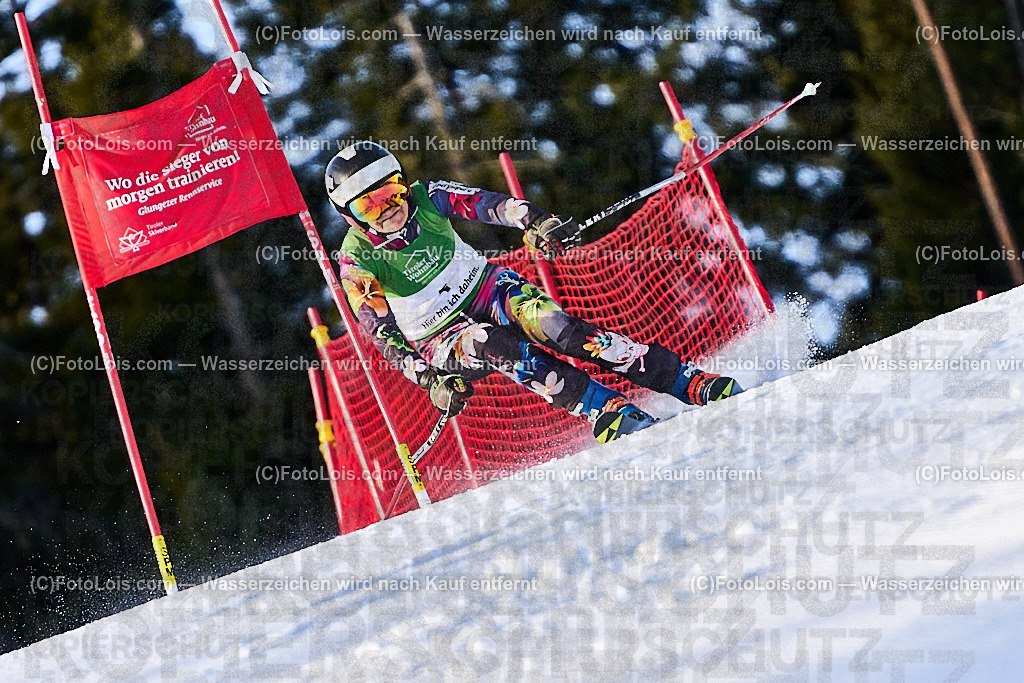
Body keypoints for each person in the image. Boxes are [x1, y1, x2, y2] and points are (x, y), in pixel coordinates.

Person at [325, 141, 742, 443]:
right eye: (370, 206)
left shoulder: (429, 197)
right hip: (439, 338)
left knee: (557, 326)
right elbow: (381, 333)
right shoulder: (356, 262)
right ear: (350, 216)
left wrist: (537, 222)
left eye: (392, 191)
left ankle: (682, 379)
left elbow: (491, 205)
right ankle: (603, 407)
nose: (389, 208)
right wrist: (428, 379)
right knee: (495, 343)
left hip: (484, 288)